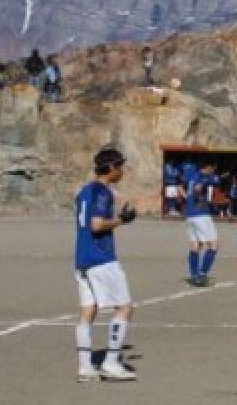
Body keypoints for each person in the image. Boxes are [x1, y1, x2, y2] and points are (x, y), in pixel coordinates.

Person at [73, 147, 138, 382]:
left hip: (82, 258)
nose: (122, 171)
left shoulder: (85, 190)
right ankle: (110, 362)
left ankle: (85, 367)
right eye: (120, 166)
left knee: (88, 311)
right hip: (101, 258)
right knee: (124, 307)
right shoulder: (102, 192)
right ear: (111, 167)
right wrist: (122, 220)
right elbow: (97, 225)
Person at [184, 163, 220, 287]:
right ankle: (202, 274)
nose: (213, 172)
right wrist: (200, 188)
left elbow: (183, 187)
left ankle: (194, 275)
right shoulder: (201, 177)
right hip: (201, 214)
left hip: (190, 214)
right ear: (208, 167)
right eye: (212, 169)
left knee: (195, 245)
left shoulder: (192, 176)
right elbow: (198, 188)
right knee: (214, 245)